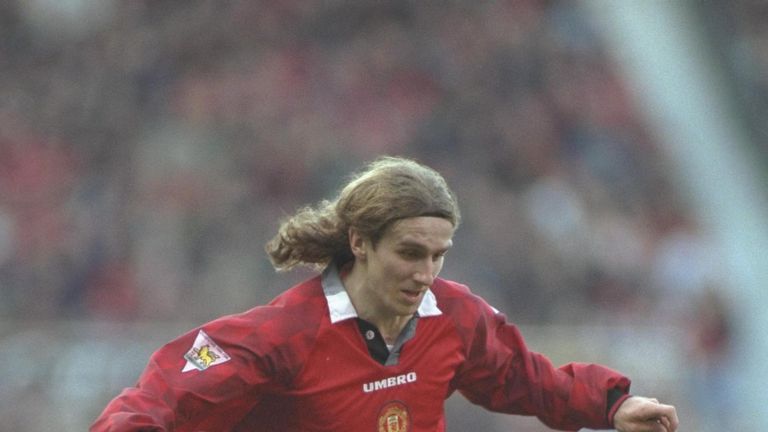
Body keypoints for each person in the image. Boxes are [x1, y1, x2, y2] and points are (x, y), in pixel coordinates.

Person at [91, 156, 679, 431]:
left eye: (438, 254)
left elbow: (525, 379)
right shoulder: (283, 336)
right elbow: (159, 396)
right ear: (360, 242)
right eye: (410, 253)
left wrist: (611, 404)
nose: (427, 272)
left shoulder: (455, 315)